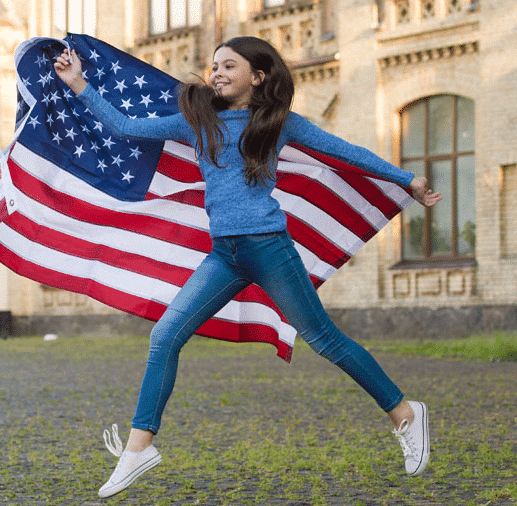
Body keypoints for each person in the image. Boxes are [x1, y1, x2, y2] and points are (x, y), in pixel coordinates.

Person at [54, 36, 442, 499]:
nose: (216, 73)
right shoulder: (197, 123)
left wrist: (407, 179)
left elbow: (345, 152)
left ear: (258, 77)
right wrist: (79, 84)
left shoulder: (279, 124)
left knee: (325, 340)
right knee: (165, 336)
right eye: (213, 65)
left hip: (269, 248)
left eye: (229, 66)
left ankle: (404, 413)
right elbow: (124, 126)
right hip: (225, 255)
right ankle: (140, 449)